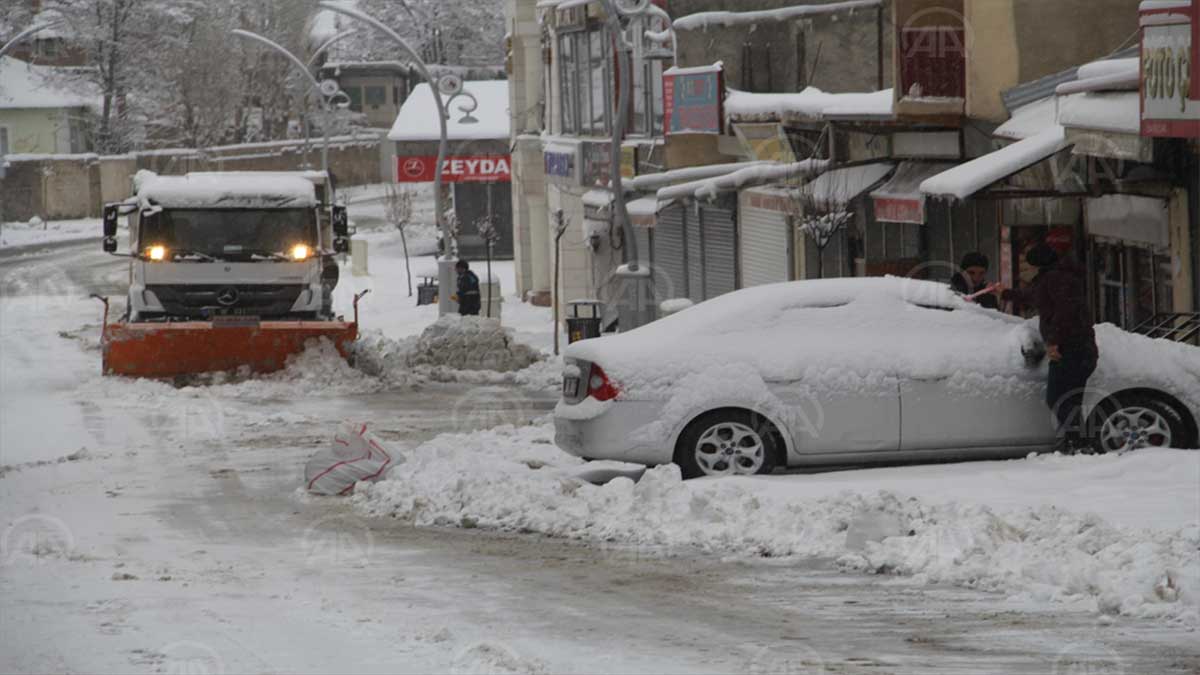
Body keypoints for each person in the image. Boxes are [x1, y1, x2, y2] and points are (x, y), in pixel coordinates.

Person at [1000, 243, 1099, 453]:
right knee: (1068, 398)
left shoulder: (1057, 279)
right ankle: (1077, 442)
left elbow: (1066, 313)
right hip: (1077, 347)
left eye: (1028, 263)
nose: (1025, 269)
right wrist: (1006, 293)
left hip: (1072, 348)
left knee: (1059, 397)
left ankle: (1079, 443)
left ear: (1038, 264)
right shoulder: (1054, 278)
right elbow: (1034, 296)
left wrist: (1054, 341)